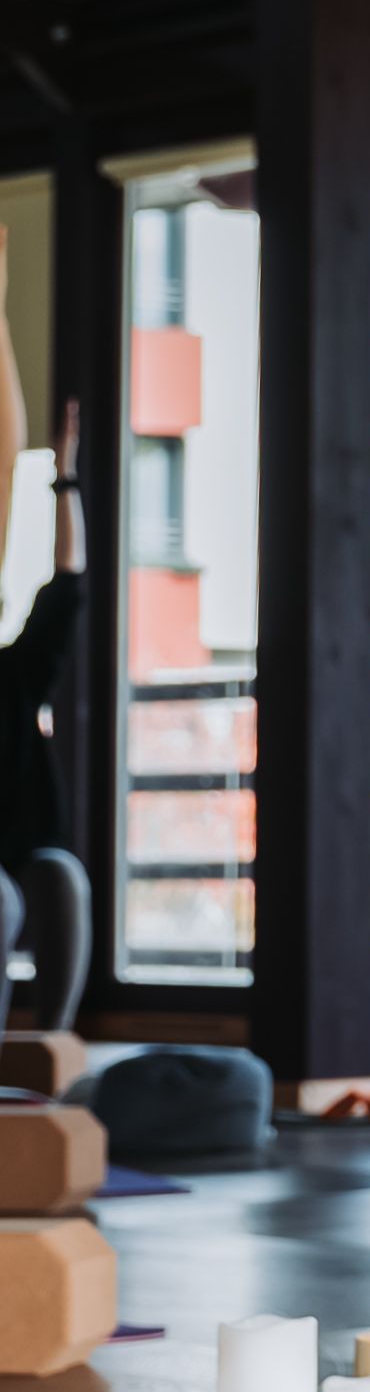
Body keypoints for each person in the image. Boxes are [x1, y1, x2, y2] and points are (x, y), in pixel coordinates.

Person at [0, 392, 90, 1029]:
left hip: (22, 850)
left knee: (62, 879)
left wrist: (66, 477)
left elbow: (68, 582)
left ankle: (51, 1046)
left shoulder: (12, 673)